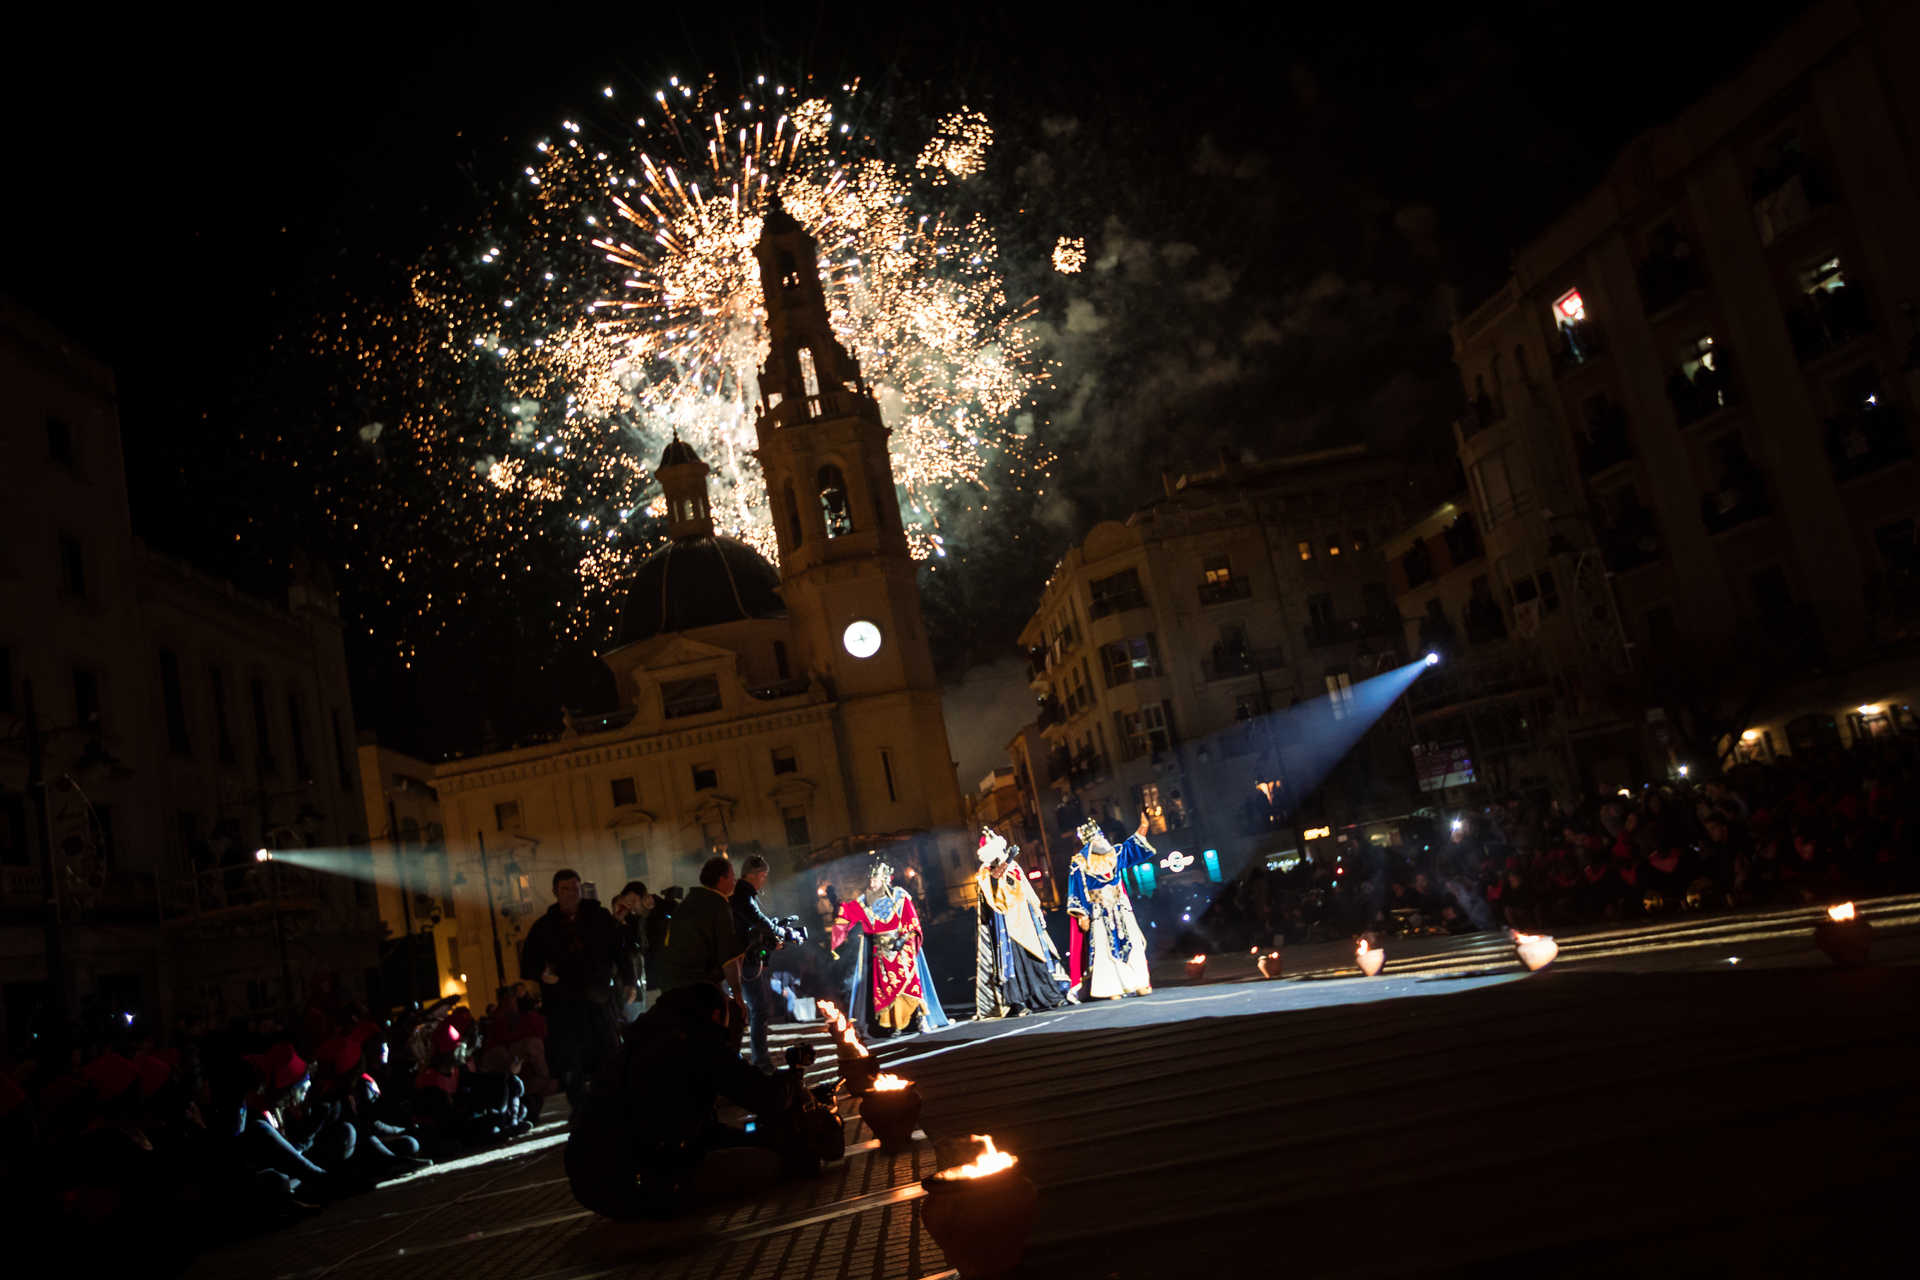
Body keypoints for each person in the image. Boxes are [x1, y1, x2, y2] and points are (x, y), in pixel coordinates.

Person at [563, 984, 813, 1221]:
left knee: (740, 1147)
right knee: (770, 1162)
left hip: (593, 1182)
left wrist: (748, 1136)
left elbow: (698, 1129)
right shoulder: (698, 1043)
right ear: (715, 1015)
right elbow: (766, 1097)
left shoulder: (639, 1043)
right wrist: (792, 1075)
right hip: (638, 1181)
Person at [520, 869, 632, 1108]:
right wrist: (541, 975)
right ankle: (580, 1109)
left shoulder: (599, 918)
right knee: (571, 1061)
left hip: (598, 1000)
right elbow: (529, 962)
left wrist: (629, 981)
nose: (572, 894)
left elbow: (620, 951)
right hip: (564, 1005)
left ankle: (613, 1103)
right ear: (555, 892)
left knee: (608, 1055)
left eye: (576, 888)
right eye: (566, 889)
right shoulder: (544, 927)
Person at [830, 855, 949, 1037]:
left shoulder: (900, 897)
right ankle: (895, 1025)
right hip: (881, 952)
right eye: (870, 878)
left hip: (902, 948)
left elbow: (912, 922)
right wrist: (837, 906)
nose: (872, 882)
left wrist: (903, 939)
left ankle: (920, 1019)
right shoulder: (864, 901)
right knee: (886, 991)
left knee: (910, 985)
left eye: (875, 878)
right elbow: (847, 914)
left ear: (884, 879)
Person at [974, 829, 1075, 1018]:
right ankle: (1018, 1002)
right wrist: (1007, 862)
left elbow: (1026, 889)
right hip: (1005, 924)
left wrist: (1037, 910)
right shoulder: (985, 873)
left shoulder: (1013, 866)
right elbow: (993, 894)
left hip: (1025, 919)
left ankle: (1049, 996)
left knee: (1036, 957)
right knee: (1013, 963)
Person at [652, 856, 750, 1032]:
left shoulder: (689, 902)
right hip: (698, 985)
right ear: (721, 879)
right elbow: (728, 958)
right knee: (711, 1033)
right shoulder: (718, 904)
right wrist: (738, 996)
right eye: (732, 876)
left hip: (670, 984)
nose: (735, 881)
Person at [1066, 813, 1156, 999]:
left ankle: (1139, 982)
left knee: (1132, 945)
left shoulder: (1114, 854)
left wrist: (1143, 828)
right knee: (1106, 949)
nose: (1100, 840)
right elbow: (1077, 890)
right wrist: (1082, 915)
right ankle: (1111, 987)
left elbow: (1131, 848)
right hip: (1099, 912)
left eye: (1101, 836)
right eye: (1096, 838)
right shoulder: (1080, 863)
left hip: (1120, 908)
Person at [731, 854, 787, 1071]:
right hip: (745, 961)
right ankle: (760, 1061)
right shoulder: (743, 896)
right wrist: (779, 931)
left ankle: (752, 1058)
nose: (764, 880)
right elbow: (757, 920)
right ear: (753, 875)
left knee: (751, 1009)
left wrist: (773, 934)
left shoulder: (744, 895)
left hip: (745, 959)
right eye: (763, 876)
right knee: (757, 1009)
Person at [610, 881, 655, 1024]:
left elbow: (640, 949)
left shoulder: (631, 929)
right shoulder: (612, 930)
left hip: (636, 989)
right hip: (620, 990)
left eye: (626, 906)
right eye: (619, 906)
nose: (622, 910)